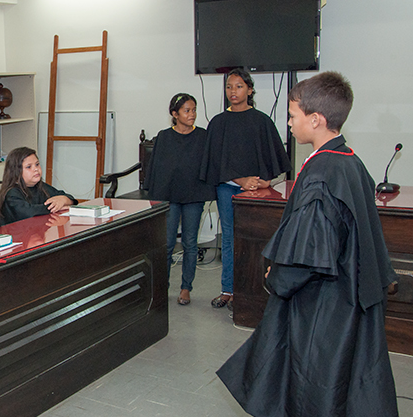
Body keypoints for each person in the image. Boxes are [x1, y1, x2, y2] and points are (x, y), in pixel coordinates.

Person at [217, 72, 398, 416]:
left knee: (313, 389)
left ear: (315, 120)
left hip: (324, 306)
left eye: (292, 115)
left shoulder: (321, 175)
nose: (289, 123)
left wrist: (276, 276)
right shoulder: (350, 162)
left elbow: (308, 254)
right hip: (349, 296)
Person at [199, 68, 291, 308]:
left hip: (255, 192)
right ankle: (228, 290)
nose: (233, 91)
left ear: (249, 90)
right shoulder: (218, 123)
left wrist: (265, 181)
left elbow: (274, 158)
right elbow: (215, 161)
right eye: (229, 87)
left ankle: (252, 291)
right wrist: (240, 180)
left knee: (255, 238)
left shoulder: (261, 121)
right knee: (230, 238)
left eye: (239, 86)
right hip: (227, 189)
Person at [144, 94, 216, 305]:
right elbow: (156, 168)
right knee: (167, 244)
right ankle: (162, 287)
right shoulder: (164, 137)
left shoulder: (203, 136)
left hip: (194, 195)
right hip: (170, 196)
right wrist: (154, 194)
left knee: (190, 243)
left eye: (194, 110)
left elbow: (209, 165)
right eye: (187, 111)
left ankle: (186, 288)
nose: (192, 114)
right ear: (175, 114)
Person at [0, 147, 77, 224]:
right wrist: (55, 207)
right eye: (29, 167)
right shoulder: (12, 193)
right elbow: (29, 212)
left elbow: (70, 198)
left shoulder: (40, 186)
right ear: (16, 171)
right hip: (16, 234)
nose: (36, 169)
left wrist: (64, 200)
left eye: (37, 164)